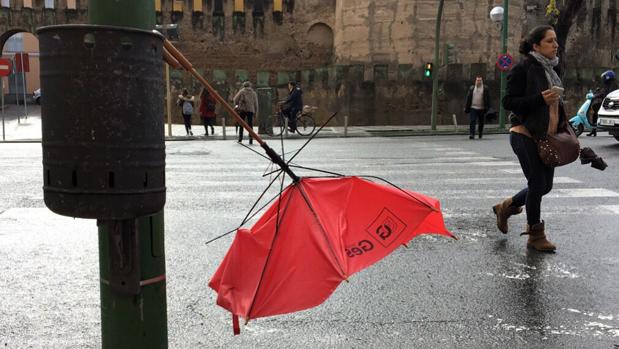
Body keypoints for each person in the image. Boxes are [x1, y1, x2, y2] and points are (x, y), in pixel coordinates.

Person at [495, 25, 565, 252]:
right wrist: (538, 100)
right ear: (536, 46)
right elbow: (508, 102)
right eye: (550, 41)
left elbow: (556, 106)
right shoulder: (524, 68)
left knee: (545, 186)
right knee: (536, 183)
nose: (555, 45)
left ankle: (507, 206)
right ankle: (535, 235)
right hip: (524, 133)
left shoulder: (554, 69)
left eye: (555, 41)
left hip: (547, 136)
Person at [586, 70, 618, 136]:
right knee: (595, 108)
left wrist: (596, 96)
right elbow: (602, 91)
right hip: (605, 103)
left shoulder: (613, 85)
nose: (603, 79)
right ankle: (593, 130)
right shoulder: (608, 84)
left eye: (604, 77)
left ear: (608, 77)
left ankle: (596, 128)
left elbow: (606, 93)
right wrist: (595, 93)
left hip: (609, 105)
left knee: (596, 109)